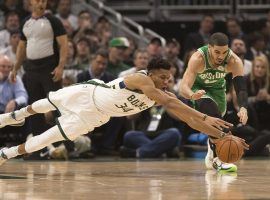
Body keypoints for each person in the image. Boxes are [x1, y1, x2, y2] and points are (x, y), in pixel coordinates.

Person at [0, 58, 248, 165]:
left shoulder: (163, 94)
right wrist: (204, 115)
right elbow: (172, 104)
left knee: (46, 139)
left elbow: (189, 119)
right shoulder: (140, 79)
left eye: (168, 78)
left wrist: (220, 135)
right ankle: (15, 117)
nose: (166, 81)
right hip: (89, 94)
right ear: (150, 73)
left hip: (95, 116)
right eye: (162, 77)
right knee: (44, 104)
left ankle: (7, 153)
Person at [180, 32, 249, 172]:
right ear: (209, 47)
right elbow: (183, 87)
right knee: (214, 117)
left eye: (224, 52)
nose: (220, 56)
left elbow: (240, 88)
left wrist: (243, 107)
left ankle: (212, 148)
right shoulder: (198, 58)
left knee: (218, 122)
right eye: (217, 52)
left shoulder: (234, 61)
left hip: (218, 89)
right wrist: (192, 95)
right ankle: (219, 160)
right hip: (198, 90)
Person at [9, 0, 68, 159]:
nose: (41, 3)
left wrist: (61, 66)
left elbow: (63, 44)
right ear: (31, 3)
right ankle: (38, 149)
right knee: (34, 109)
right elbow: (22, 47)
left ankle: (66, 145)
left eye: (44, 0)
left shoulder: (53, 21)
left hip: (49, 69)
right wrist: (15, 68)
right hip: (31, 70)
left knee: (56, 106)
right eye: (38, 0)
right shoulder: (25, 23)